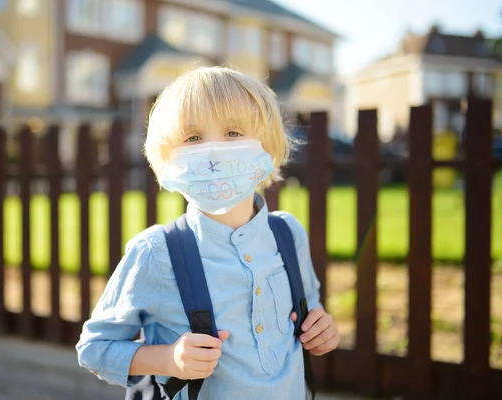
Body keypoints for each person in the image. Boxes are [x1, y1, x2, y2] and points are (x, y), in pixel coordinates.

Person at [76, 66, 340, 399]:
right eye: (194, 138)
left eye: (233, 133)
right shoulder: (155, 252)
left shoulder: (288, 234)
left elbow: (311, 309)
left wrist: (321, 329)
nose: (214, 151)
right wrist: (169, 359)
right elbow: (94, 348)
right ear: (170, 160)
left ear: (266, 148)